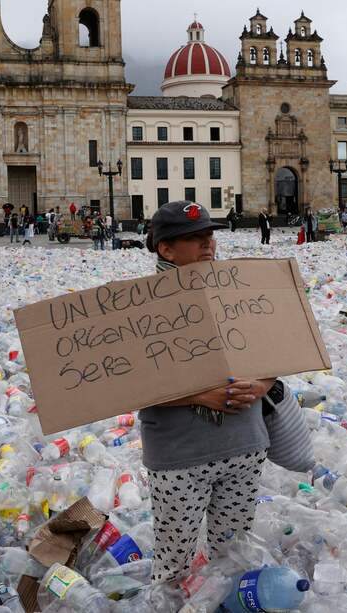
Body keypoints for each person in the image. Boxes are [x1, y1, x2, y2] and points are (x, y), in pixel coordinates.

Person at [141, 200, 275, 584]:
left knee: (234, 561)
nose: (208, 245)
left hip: (244, 447)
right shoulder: (137, 307)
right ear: (165, 248)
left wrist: (261, 384)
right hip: (181, 457)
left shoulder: (239, 291)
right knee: (174, 565)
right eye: (194, 238)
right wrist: (198, 396)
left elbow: (278, 352)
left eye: (210, 236)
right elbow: (124, 386)